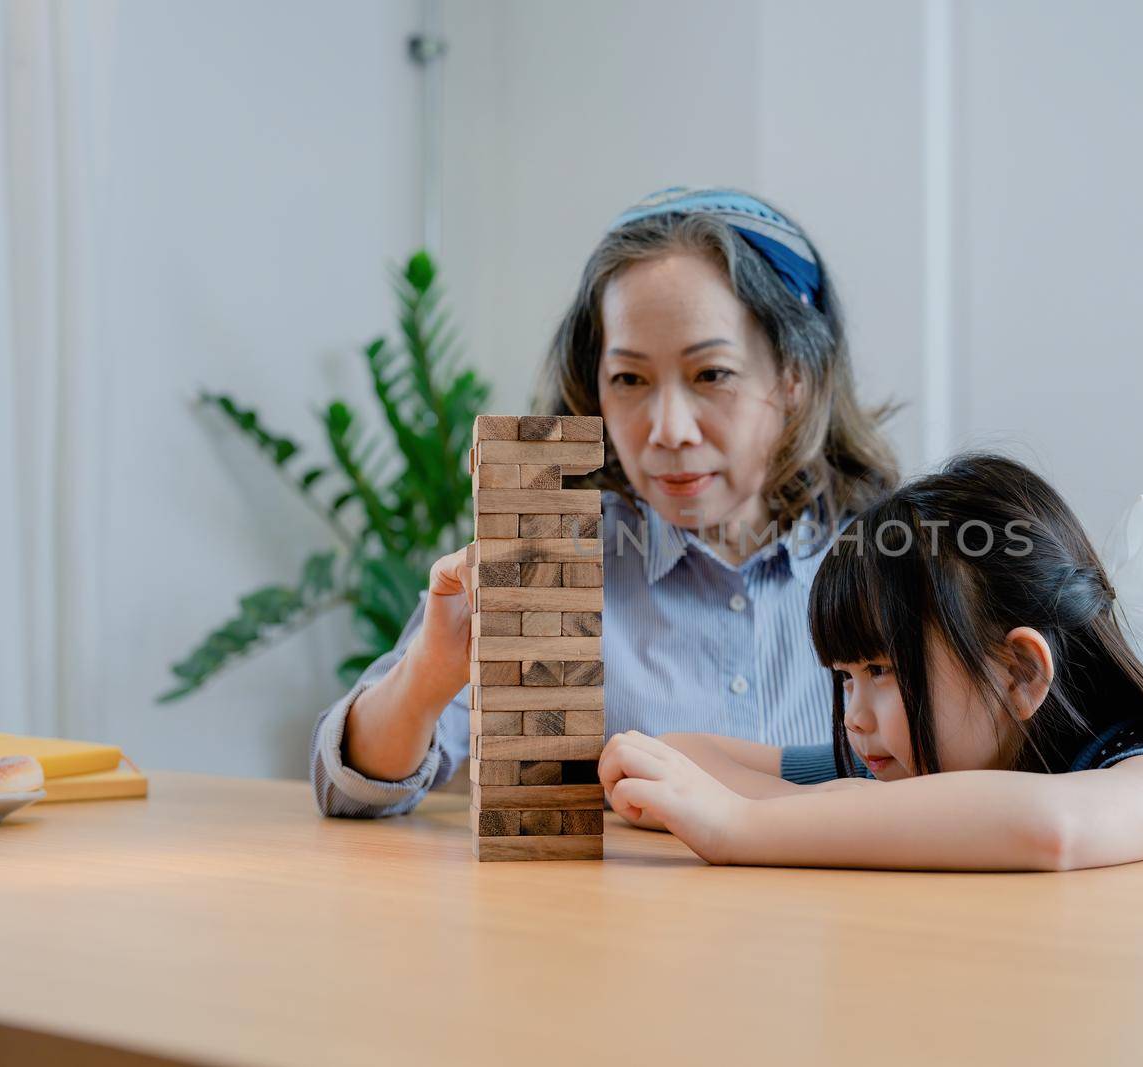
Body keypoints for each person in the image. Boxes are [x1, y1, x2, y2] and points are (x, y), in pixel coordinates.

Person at [310, 187, 897, 816]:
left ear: (794, 378)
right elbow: (346, 790)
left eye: (711, 374)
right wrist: (426, 677)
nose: (669, 429)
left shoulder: (901, 565)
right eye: (629, 380)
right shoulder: (547, 559)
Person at [600, 453, 1143, 869]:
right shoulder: (923, 757)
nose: (855, 718)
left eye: (882, 672)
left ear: (1020, 672)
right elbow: (686, 753)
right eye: (845, 678)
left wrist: (742, 827)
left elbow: (1050, 827)